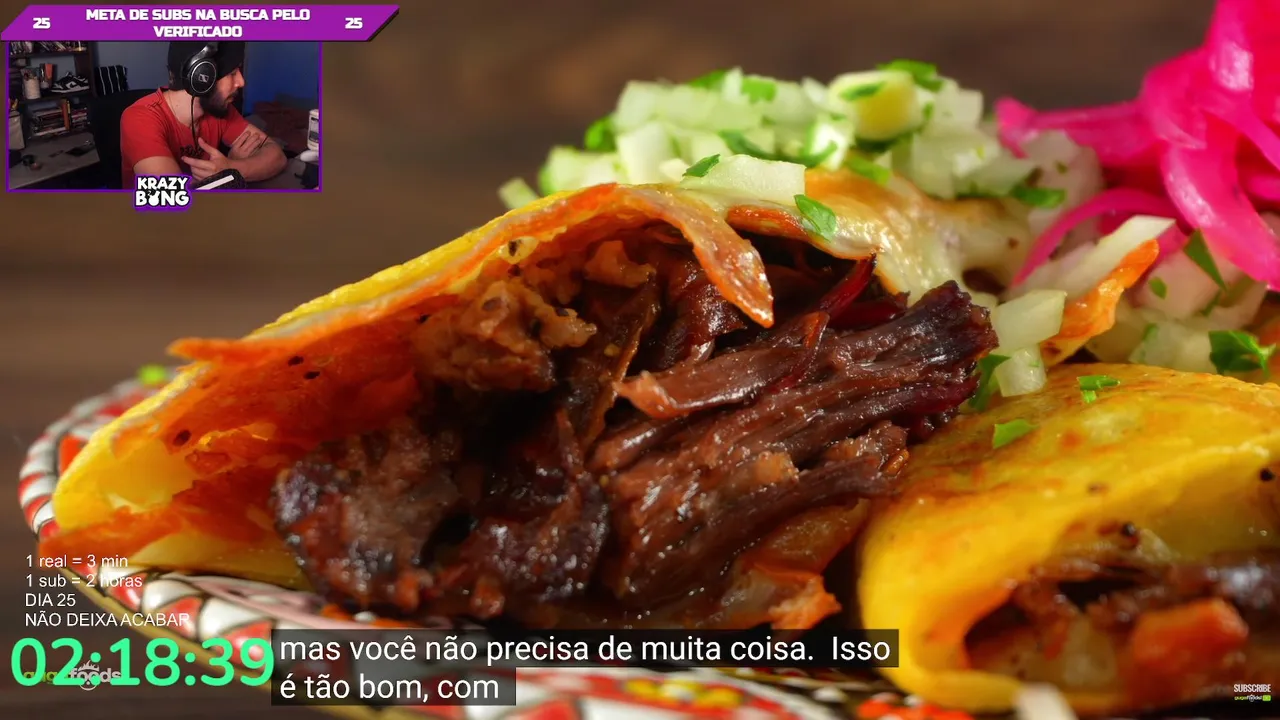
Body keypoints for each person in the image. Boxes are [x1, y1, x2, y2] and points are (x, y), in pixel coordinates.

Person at [119, 41, 287, 188]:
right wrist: (226, 177)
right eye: (232, 73)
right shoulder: (139, 119)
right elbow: (172, 200)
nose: (241, 82)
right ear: (202, 77)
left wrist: (232, 168)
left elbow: (277, 156)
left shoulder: (217, 109)